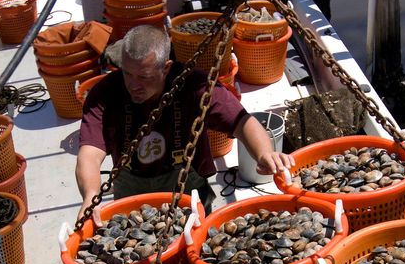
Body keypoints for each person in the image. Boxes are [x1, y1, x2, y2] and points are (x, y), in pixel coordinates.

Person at [75, 24, 294, 221]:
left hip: (185, 185)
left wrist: (265, 153)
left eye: (144, 77)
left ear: (166, 67)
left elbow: (243, 123)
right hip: (131, 187)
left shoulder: (194, 86)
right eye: (128, 73)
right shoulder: (105, 93)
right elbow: (90, 154)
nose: (133, 84)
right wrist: (91, 196)